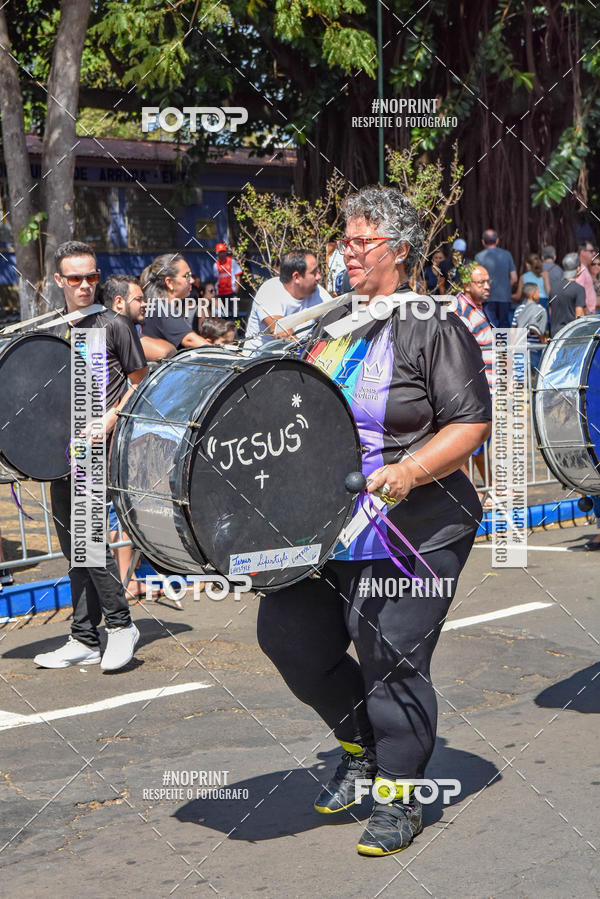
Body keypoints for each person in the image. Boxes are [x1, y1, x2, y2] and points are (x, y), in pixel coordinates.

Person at [257, 186, 491, 857]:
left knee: (385, 647)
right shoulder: (330, 323)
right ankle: (360, 741)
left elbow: (471, 421)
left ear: (400, 248)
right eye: (346, 240)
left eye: (362, 242)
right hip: (329, 521)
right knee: (289, 634)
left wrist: (410, 470)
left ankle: (399, 794)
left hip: (418, 520)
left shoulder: (432, 323)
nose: (348, 252)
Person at [33, 241, 147, 671]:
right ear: (60, 280)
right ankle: (84, 636)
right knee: (74, 549)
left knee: (89, 543)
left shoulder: (113, 324)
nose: (85, 285)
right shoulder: (55, 327)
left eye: (92, 276)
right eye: (75, 278)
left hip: (97, 452)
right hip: (60, 455)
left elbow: (140, 381)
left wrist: (110, 419)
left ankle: (121, 627)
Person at [452, 264, 493, 501]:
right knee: (467, 445)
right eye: (481, 283)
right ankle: (470, 495)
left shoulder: (475, 309)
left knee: (479, 445)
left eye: (488, 281)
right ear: (467, 285)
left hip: (484, 389)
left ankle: (485, 488)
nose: (487, 286)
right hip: (471, 391)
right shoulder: (460, 311)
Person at [244, 250, 332, 351]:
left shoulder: (318, 292)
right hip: (259, 362)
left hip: (297, 359)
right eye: (313, 272)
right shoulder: (270, 291)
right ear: (296, 277)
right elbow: (281, 333)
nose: (319, 277)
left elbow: (336, 318)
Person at [141, 253, 209, 350]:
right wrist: (226, 356)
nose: (192, 280)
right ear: (169, 282)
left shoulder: (160, 306)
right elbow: (191, 341)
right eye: (186, 276)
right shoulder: (162, 308)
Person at [104, 273, 176, 362]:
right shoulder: (115, 329)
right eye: (138, 299)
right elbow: (163, 352)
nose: (144, 304)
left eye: (144, 299)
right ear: (119, 302)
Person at [475, 229, 517, 327]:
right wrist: (505, 288)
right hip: (504, 297)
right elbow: (514, 278)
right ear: (497, 240)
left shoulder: (479, 257)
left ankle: (492, 342)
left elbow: (476, 278)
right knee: (504, 326)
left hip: (487, 297)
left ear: (483, 241)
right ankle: (504, 342)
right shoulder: (507, 255)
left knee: (490, 326)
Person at [512, 282, 548, 375]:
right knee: (537, 375)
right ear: (533, 294)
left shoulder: (519, 309)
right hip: (534, 348)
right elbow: (537, 329)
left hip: (520, 347)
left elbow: (513, 329)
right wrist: (543, 340)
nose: (539, 294)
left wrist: (512, 345)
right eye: (538, 292)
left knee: (520, 377)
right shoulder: (540, 309)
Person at [548, 253, 587, 336]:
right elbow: (579, 316)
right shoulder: (579, 289)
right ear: (578, 268)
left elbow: (551, 312)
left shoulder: (553, 288)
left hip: (555, 335)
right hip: (571, 335)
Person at [576, 240, 598, 314]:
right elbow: (578, 291)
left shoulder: (584, 268)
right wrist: (586, 310)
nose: (594, 253)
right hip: (587, 314)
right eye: (591, 251)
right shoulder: (581, 270)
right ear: (582, 252)